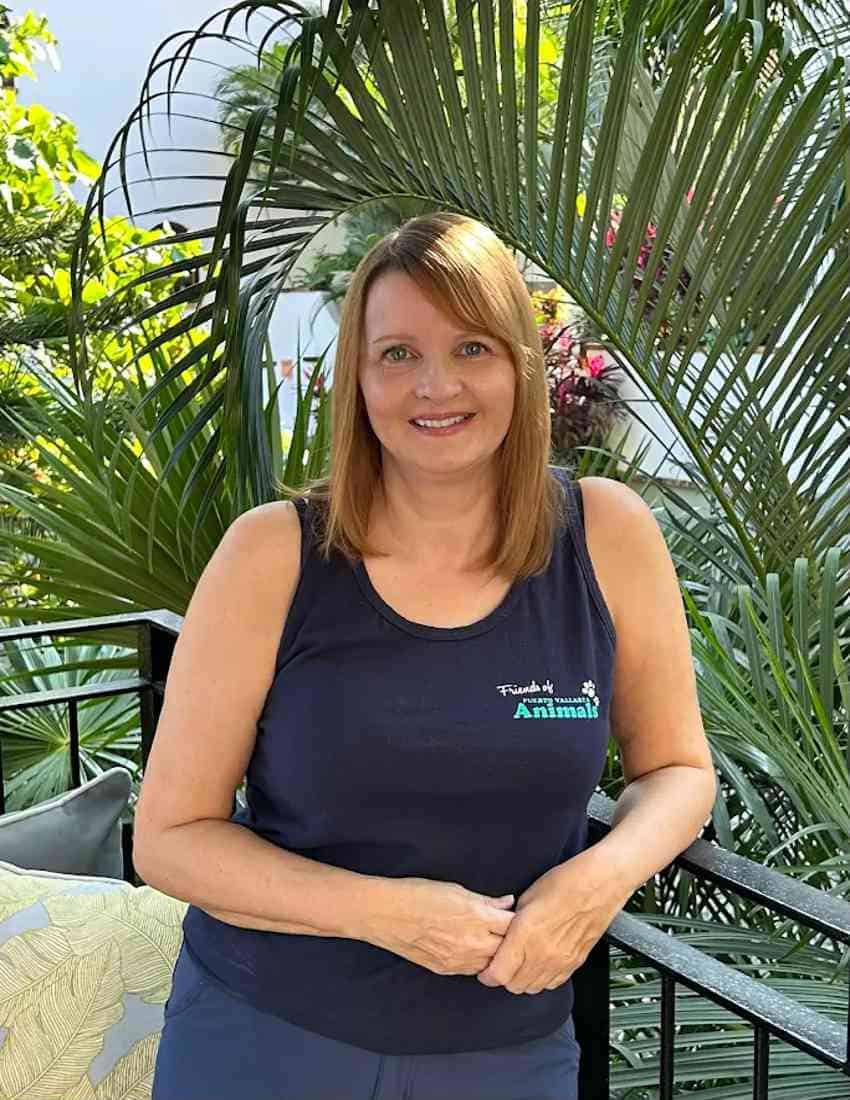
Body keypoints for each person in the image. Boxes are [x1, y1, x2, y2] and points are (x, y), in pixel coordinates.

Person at [138, 211, 717, 1100]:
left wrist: (599, 880)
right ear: (358, 380)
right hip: (265, 1037)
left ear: (522, 365)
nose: (434, 386)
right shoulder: (272, 556)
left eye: (472, 348)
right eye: (398, 353)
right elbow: (171, 841)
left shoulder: (608, 537)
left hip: (508, 1055)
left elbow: (679, 768)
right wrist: (391, 914)